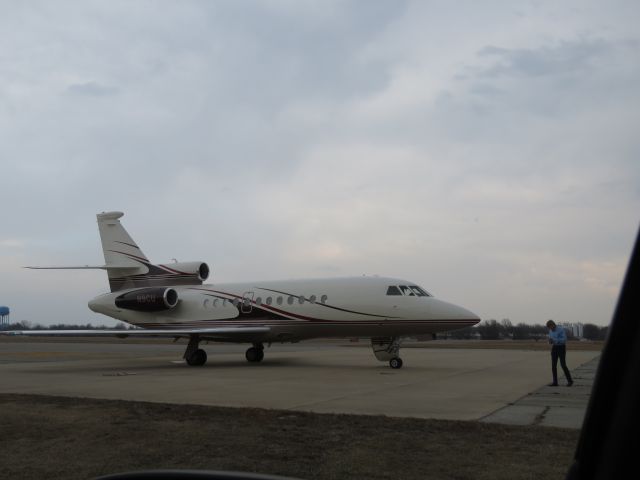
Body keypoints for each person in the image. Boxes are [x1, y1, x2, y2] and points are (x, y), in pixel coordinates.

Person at [546, 320, 573, 387]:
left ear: (553, 325)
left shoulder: (561, 330)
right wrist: (550, 341)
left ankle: (570, 381)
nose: (550, 329)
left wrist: (555, 340)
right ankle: (555, 382)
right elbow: (550, 341)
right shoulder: (550, 331)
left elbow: (564, 339)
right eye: (549, 328)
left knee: (563, 365)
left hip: (561, 348)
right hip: (554, 348)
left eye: (550, 327)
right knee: (553, 366)